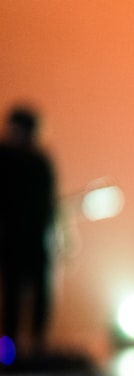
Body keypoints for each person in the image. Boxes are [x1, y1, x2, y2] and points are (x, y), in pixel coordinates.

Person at [0, 105, 58, 362]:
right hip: (20, 239)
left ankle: (28, 348)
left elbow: (48, 205)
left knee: (30, 294)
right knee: (18, 294)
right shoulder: (34, 161)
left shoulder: (38, 161)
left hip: (28, 239)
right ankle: (18, 349)